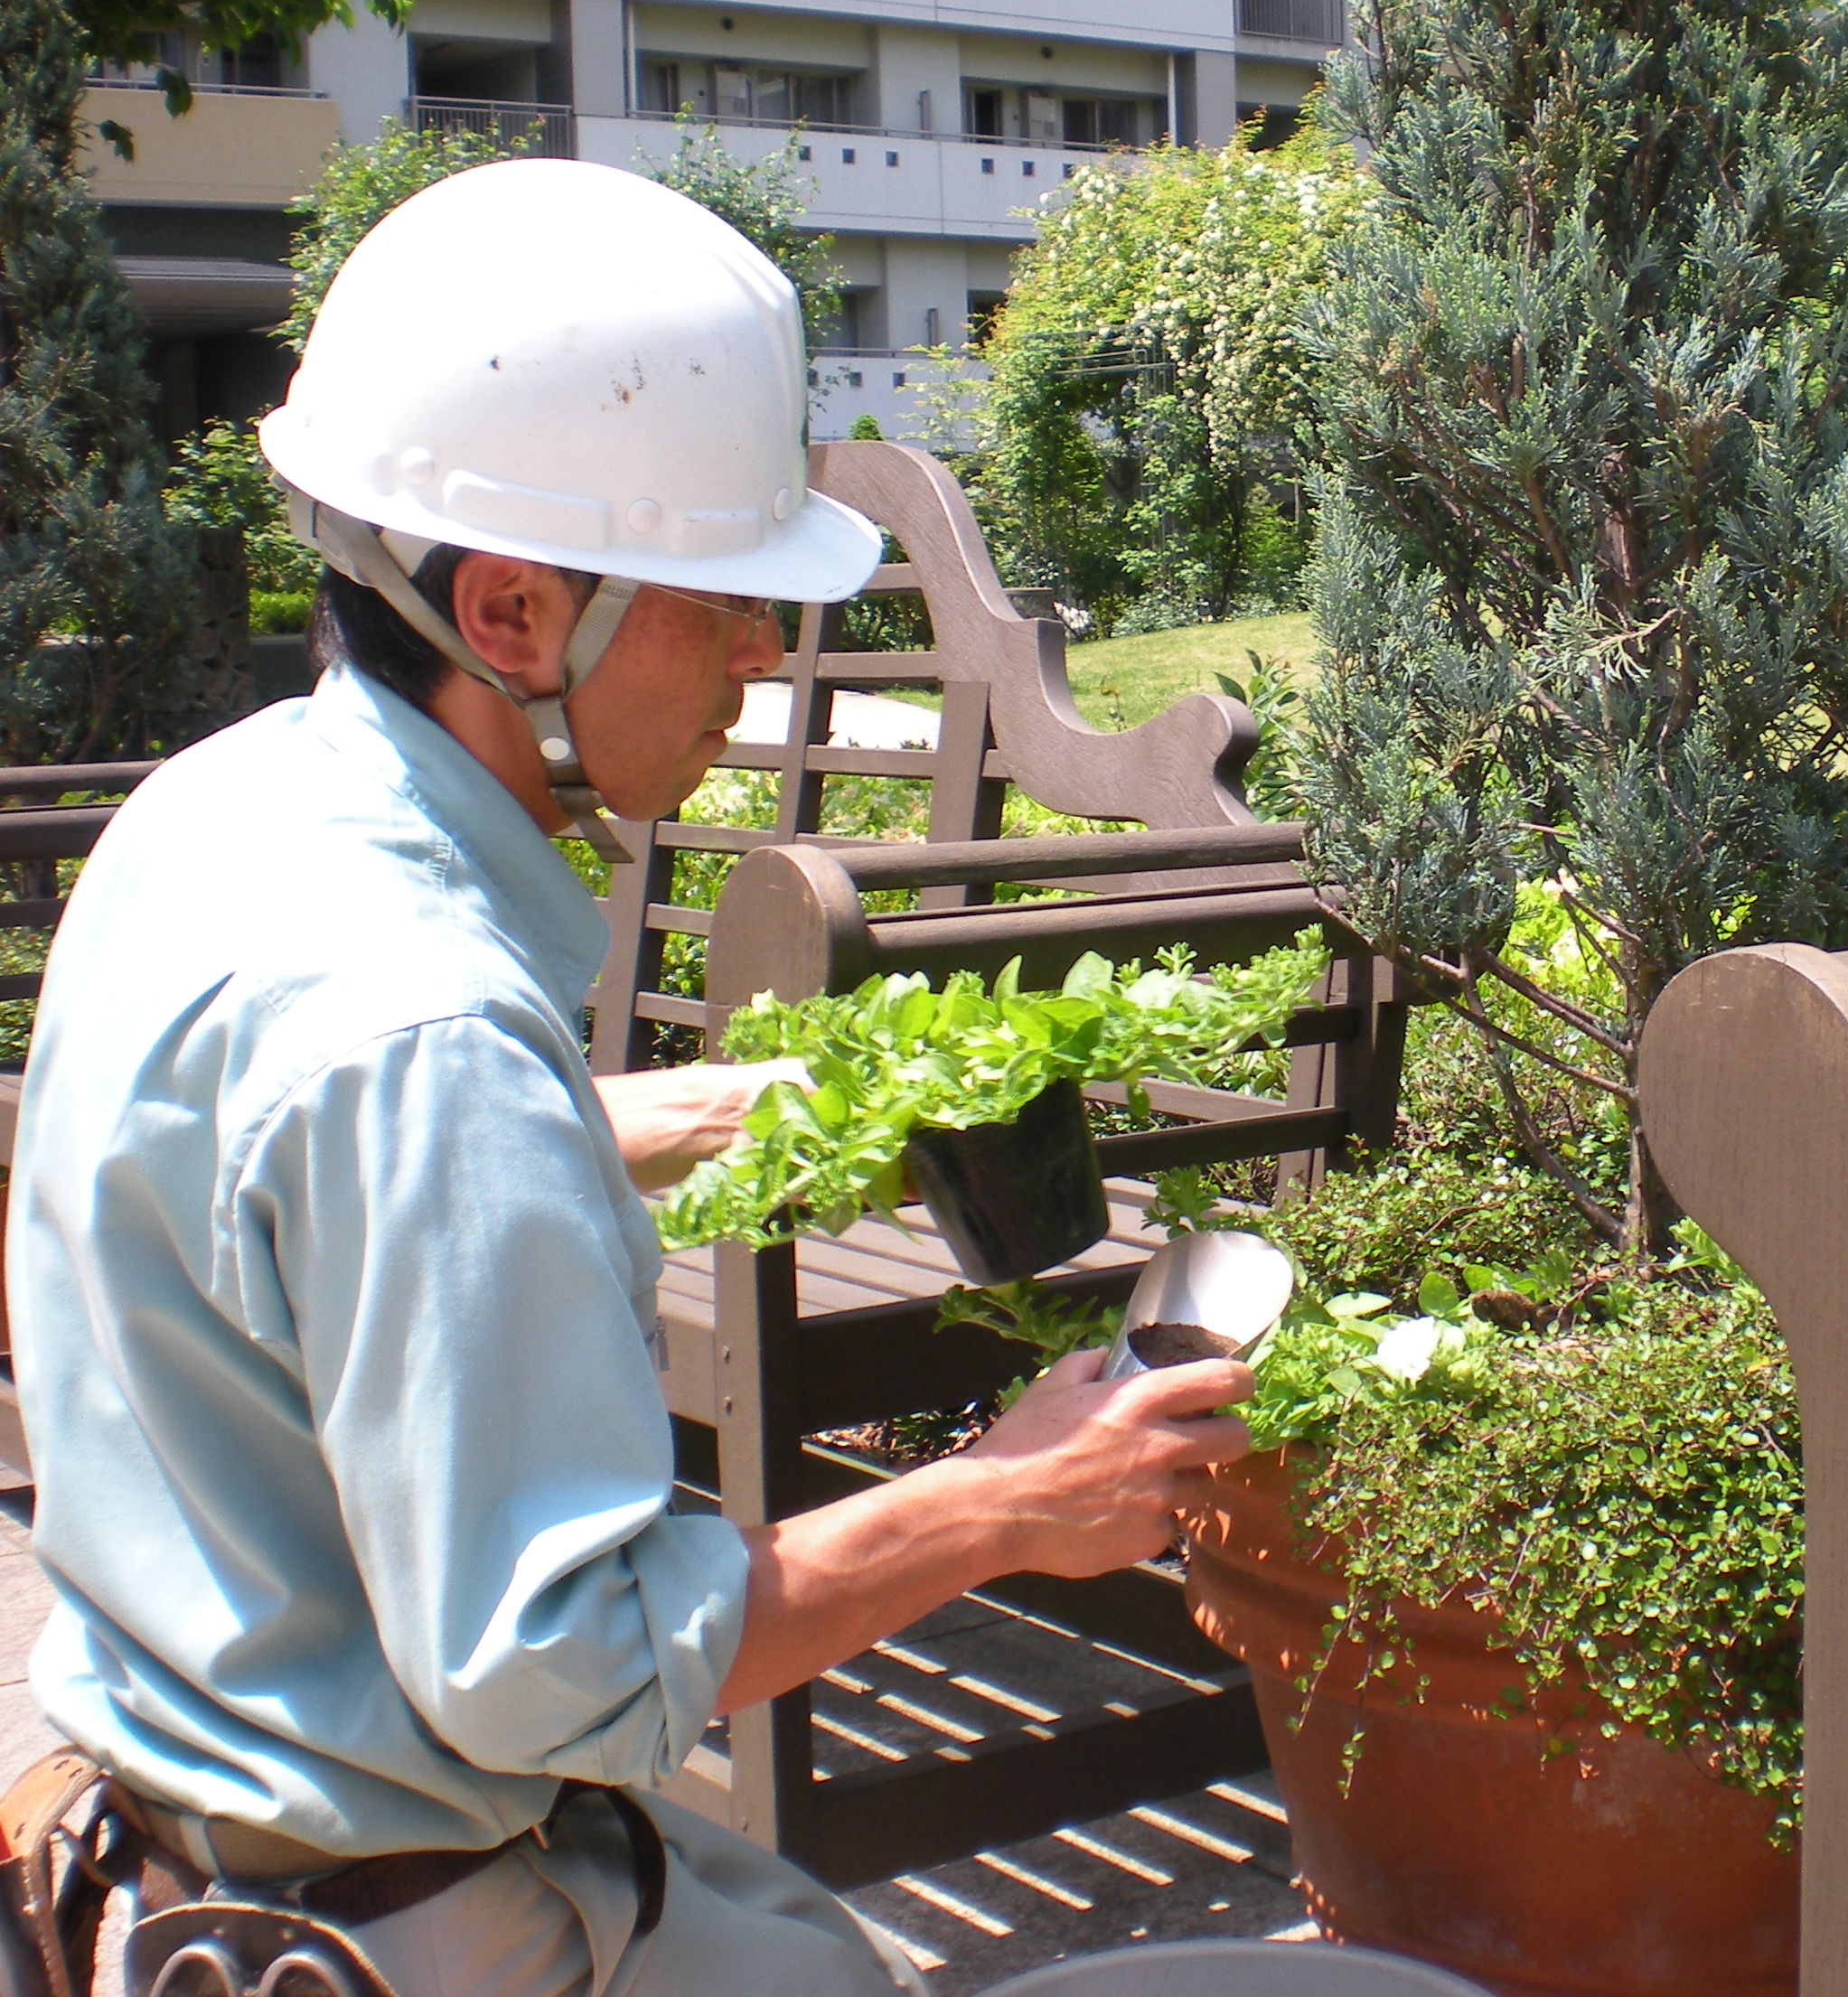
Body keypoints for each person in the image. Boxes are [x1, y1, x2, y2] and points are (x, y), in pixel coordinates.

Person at [2, 160, 1255, 1997]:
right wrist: (1006, 1497)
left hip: (174, 1837)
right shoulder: (426, 1031)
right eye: (721, 599)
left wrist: (726, 1113)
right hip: (410, 1920)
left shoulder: (221, 817)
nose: (767, 654)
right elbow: (563, 1664)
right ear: (514, 615)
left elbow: (274, 1194)